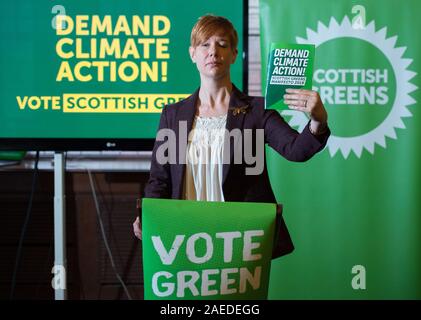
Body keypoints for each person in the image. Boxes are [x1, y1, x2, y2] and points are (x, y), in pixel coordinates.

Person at [133, 15, 330, 259]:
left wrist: (318, 120)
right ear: (192, 53)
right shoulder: (173, 115)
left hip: (239, 241)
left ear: (234, 54)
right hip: (181, 238)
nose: (213, 51)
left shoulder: (259, 111)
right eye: (205, 45)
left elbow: (296, 150)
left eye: (222, 44)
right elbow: (159, 180)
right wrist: (149, 217)